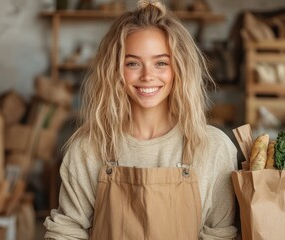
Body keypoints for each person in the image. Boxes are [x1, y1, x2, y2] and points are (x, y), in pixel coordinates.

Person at [44, 0, 238, 239]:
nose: (147, 76)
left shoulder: (213, 148)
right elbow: (67, 231)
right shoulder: (89, 147)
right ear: (115, 70)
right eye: (133, 63)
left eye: (161, 63)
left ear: (180, 68)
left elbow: (221, 234)